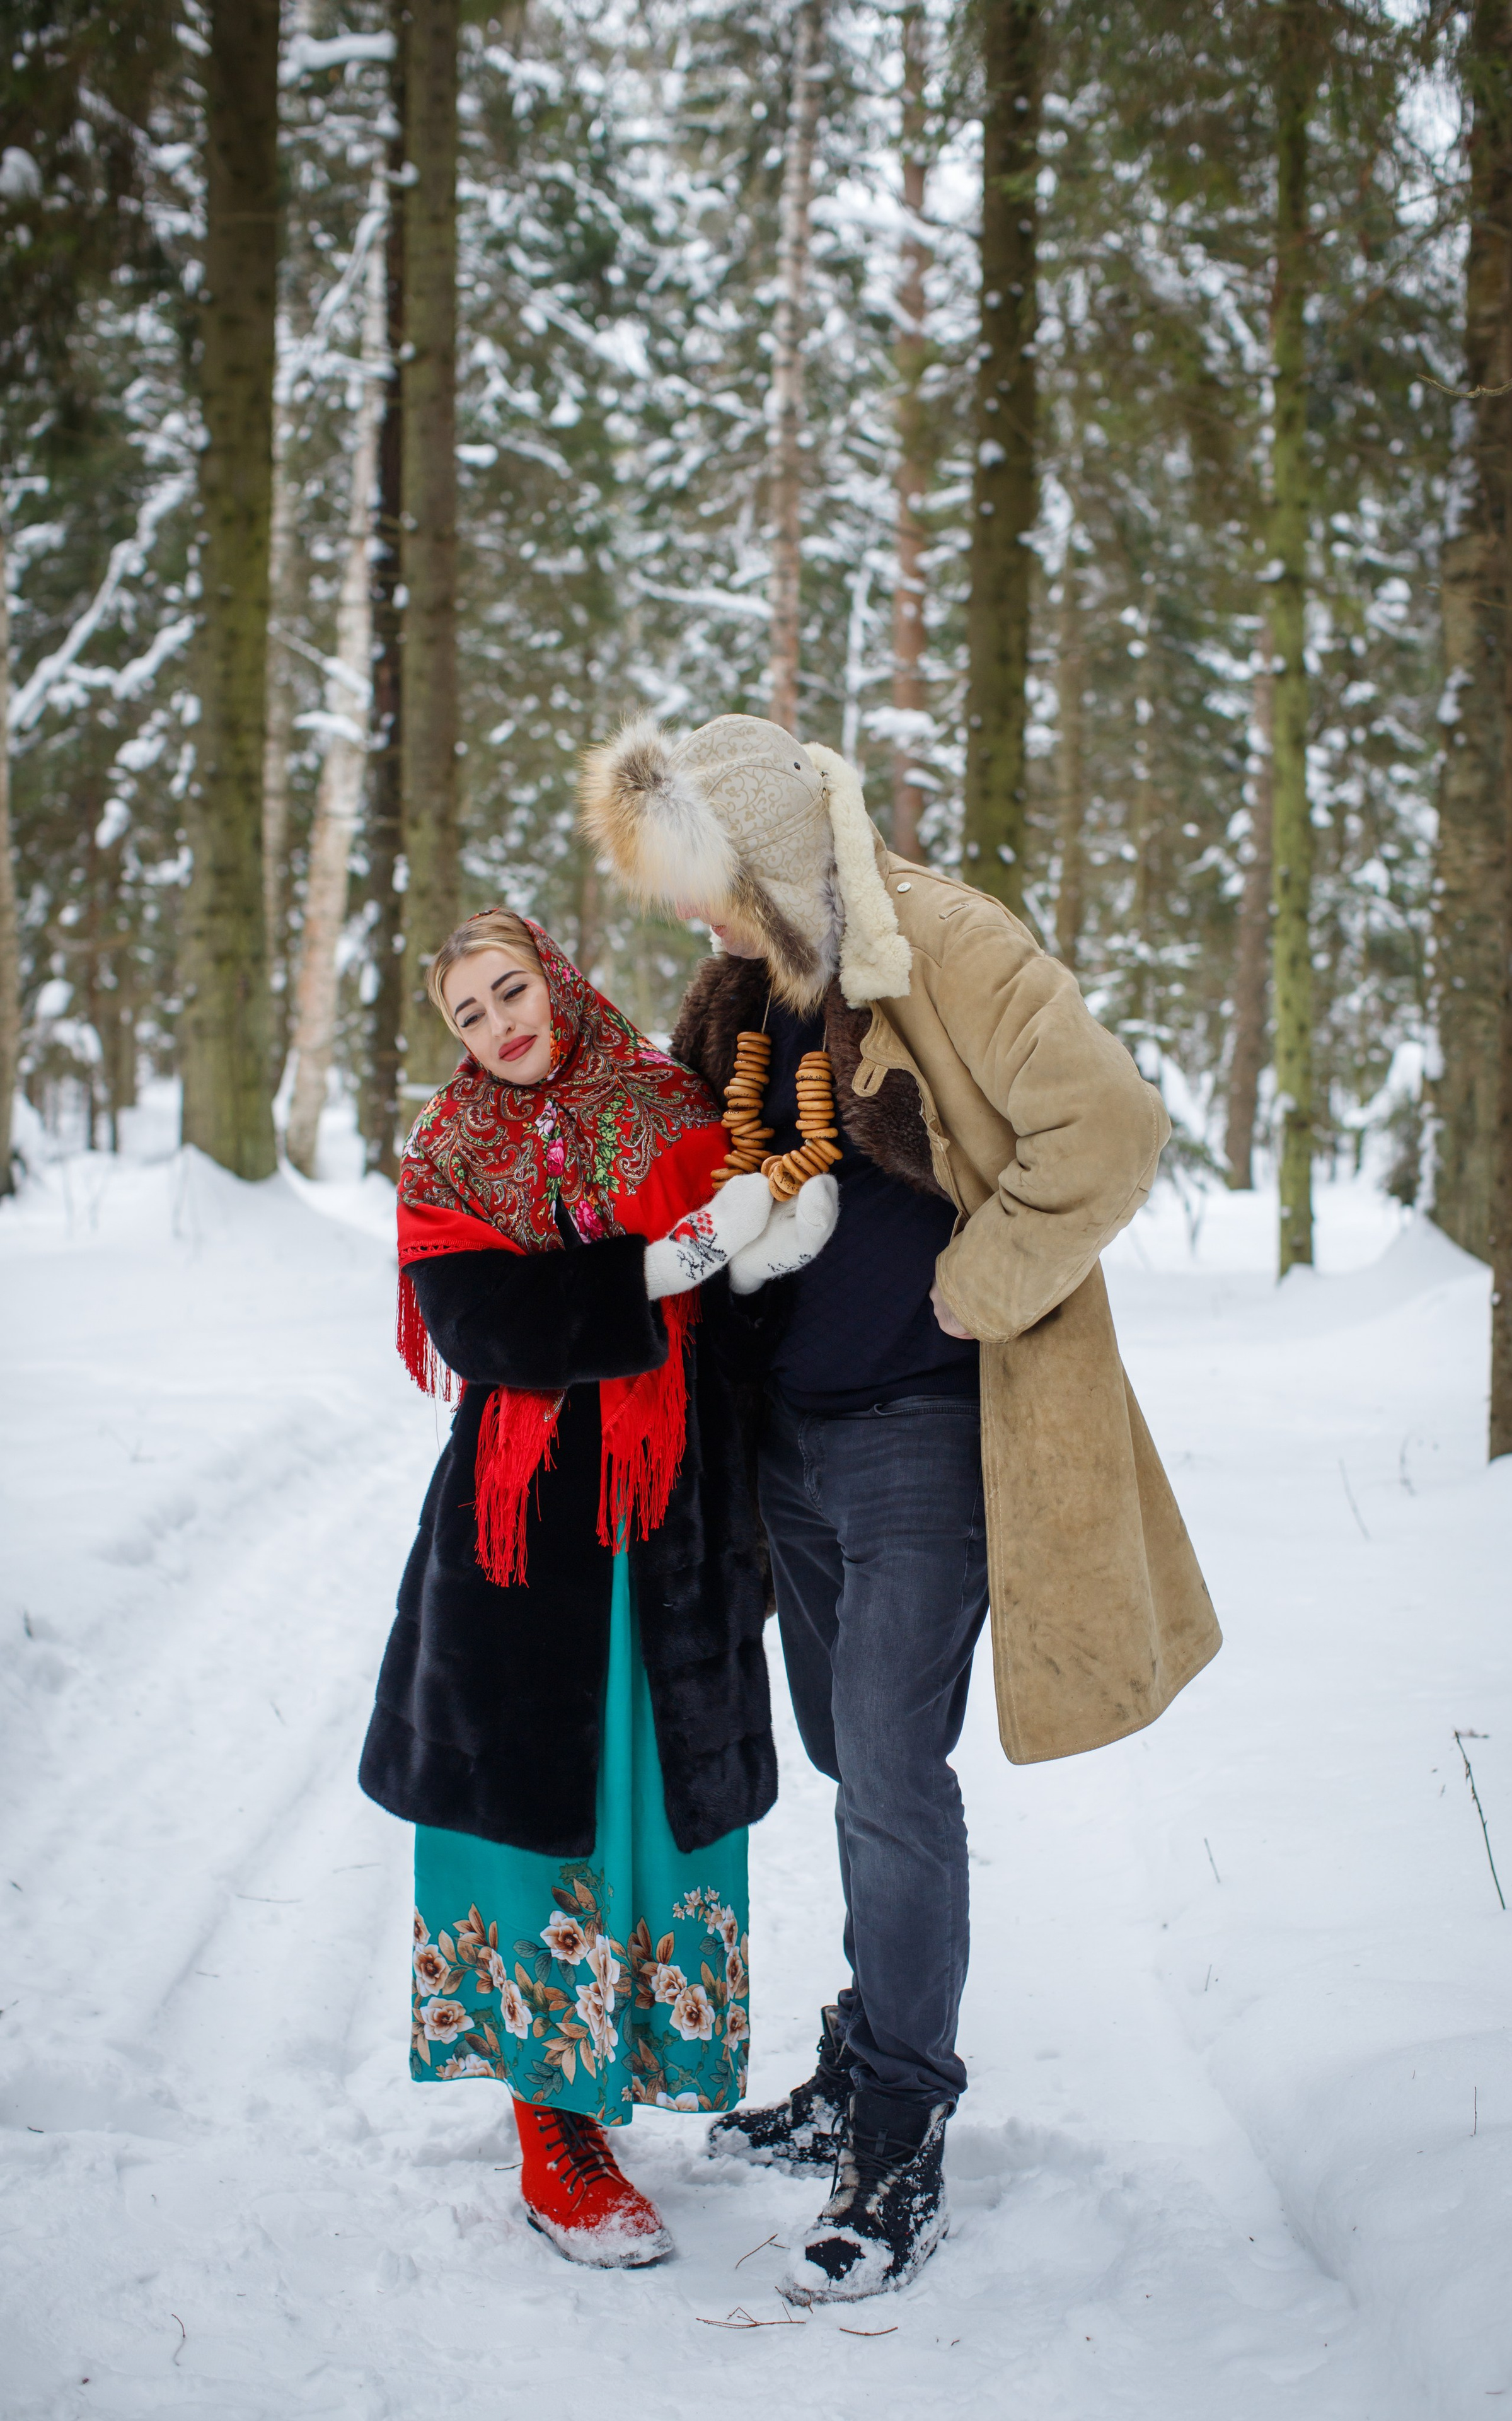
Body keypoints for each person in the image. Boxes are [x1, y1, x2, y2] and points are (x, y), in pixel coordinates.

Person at [580, 715, 1222, 2304]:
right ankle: (862, 2051)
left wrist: (969, 1293)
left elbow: (1108, 1129)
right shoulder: (742, 991)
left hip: (929, 1430)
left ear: (767, 857)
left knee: (887, 1766)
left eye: (697, 884)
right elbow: (686, 1173)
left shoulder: (940, 942)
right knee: (835, 1749)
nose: (684, 921)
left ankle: (897, 2127)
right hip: (788, 1438)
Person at [358, 908, 838, 2268]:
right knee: (534, 1822)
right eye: (468, 1013)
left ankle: (616, 2076)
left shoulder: (668, 1102)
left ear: (554, 980)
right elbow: (472, 1323)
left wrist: (756, 1254)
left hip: (676, 1522)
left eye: (510, 990)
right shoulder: (450, 1153)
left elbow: (741, 1321)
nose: (500, 1024)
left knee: (651, 1809)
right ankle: (549, 2131)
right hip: (524, 1543)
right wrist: (648, 1269)